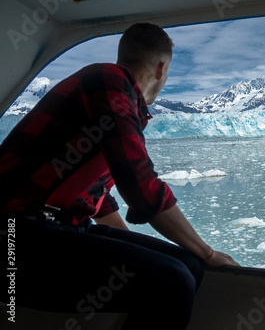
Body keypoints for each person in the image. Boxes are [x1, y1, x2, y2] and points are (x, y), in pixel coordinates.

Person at [0, 23, 239, 329]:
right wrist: (208, 251)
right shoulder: (108, 81)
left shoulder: (113, 92)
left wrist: (139, 249)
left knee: (189, 266)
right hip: (17, 232)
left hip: (61, 225)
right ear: (162, 68)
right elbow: (139, 183)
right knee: (174, 279)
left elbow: (100, 199)